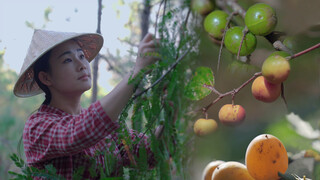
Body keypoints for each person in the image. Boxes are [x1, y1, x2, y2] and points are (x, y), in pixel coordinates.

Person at [13, 29, 159, 179]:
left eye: (81, 56)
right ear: (46, 78)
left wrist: (169, 110)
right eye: (67, 60)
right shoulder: (37, 127)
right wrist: (136, 72)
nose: (82, 64)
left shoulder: (105, 127)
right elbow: (77, 133)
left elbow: (149, 156)